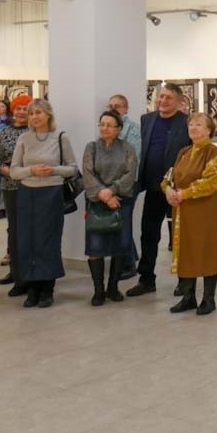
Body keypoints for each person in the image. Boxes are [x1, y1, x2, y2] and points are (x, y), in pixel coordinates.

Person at [10, 99, 78, 308]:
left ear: (49, 114)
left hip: (51, 194)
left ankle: (47, 288)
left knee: (47, 241)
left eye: (38, 112)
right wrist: (31, 170)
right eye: (31, 113)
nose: (34, 117)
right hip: (26, 194)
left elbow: (73, 168)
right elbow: (14, 171)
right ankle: (32, 288)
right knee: (27, 241)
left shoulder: (60, 137)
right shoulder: (24, 138)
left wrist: (53, 170)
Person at [131, 84, 191, 297]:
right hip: (153, 187)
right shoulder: (147, 120)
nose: (163, 101)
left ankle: (185, 280)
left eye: (169, 98)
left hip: (177, 190)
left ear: (178, 101)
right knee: (149, 234)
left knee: (180, 236)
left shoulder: (186, 123)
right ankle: (146, 279)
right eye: (161, 96)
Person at [163, 113, 217, 315]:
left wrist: (183, 194)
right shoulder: (184, 152)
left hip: (205, 210)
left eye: (199, 124)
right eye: (191, 124)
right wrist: (168, 190)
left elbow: (210, 182)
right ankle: (188, 297)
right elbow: (170, 176)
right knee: (186, 250)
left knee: (206, 250)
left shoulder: (214, 153)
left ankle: (208, 299)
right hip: (183, 210)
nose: (193, 128)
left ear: (209, 130)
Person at [82, 111, 137, 306]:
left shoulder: (127, 148)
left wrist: (111, 191)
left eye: (109, 125)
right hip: (97, 201)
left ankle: (113, 287)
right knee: (95, 246)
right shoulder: (91, 147)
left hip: (120, 201)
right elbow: (87, 174)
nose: (104, 128)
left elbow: (130, 174)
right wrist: (102, 194)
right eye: (102, 124)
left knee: (120, 245)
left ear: (118, 129)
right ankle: (98, 290)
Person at [0, 95, 31, 293]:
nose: (21, 112)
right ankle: (16, 272)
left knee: (29, 231)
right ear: (13, 111)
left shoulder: (35, 132)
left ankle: (29, 274)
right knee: (14, 231)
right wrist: (7, 171)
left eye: (25, 108)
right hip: (10, 187)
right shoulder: (4, 132)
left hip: (32, 186)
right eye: (18, 108)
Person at [108, 94, 141, 280]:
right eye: (111, 106)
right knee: (119, 221)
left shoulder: (133, 130)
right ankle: (130, 257)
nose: (114, 109)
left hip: (128, 183)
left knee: (123, 222)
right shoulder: (108, 128)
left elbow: (133, 159)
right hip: (111, 184)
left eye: (118, 106)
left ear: (126, 109)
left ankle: (128, 264)